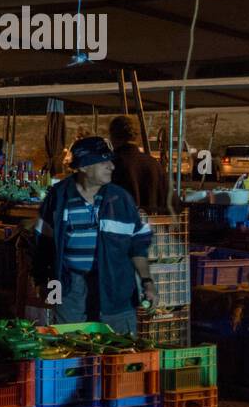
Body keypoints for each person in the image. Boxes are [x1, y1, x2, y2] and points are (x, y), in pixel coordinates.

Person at [31, 136, 156, 334]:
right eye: (103, 161)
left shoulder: (120, 199)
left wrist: (147, 283)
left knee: (117, 347)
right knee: (67, 341)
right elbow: (44, 244)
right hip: (69, 286)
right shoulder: (58, 196)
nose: (111, 167)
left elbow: (138, 244)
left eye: (110, 161)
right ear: (82, 166)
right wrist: (43, 284)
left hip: (115, 288)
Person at [108, 115, 171, 213]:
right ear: (137, 137)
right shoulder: (154, 165)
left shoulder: (109, 165)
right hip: (152, 226)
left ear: (113, 137)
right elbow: (171, 203)